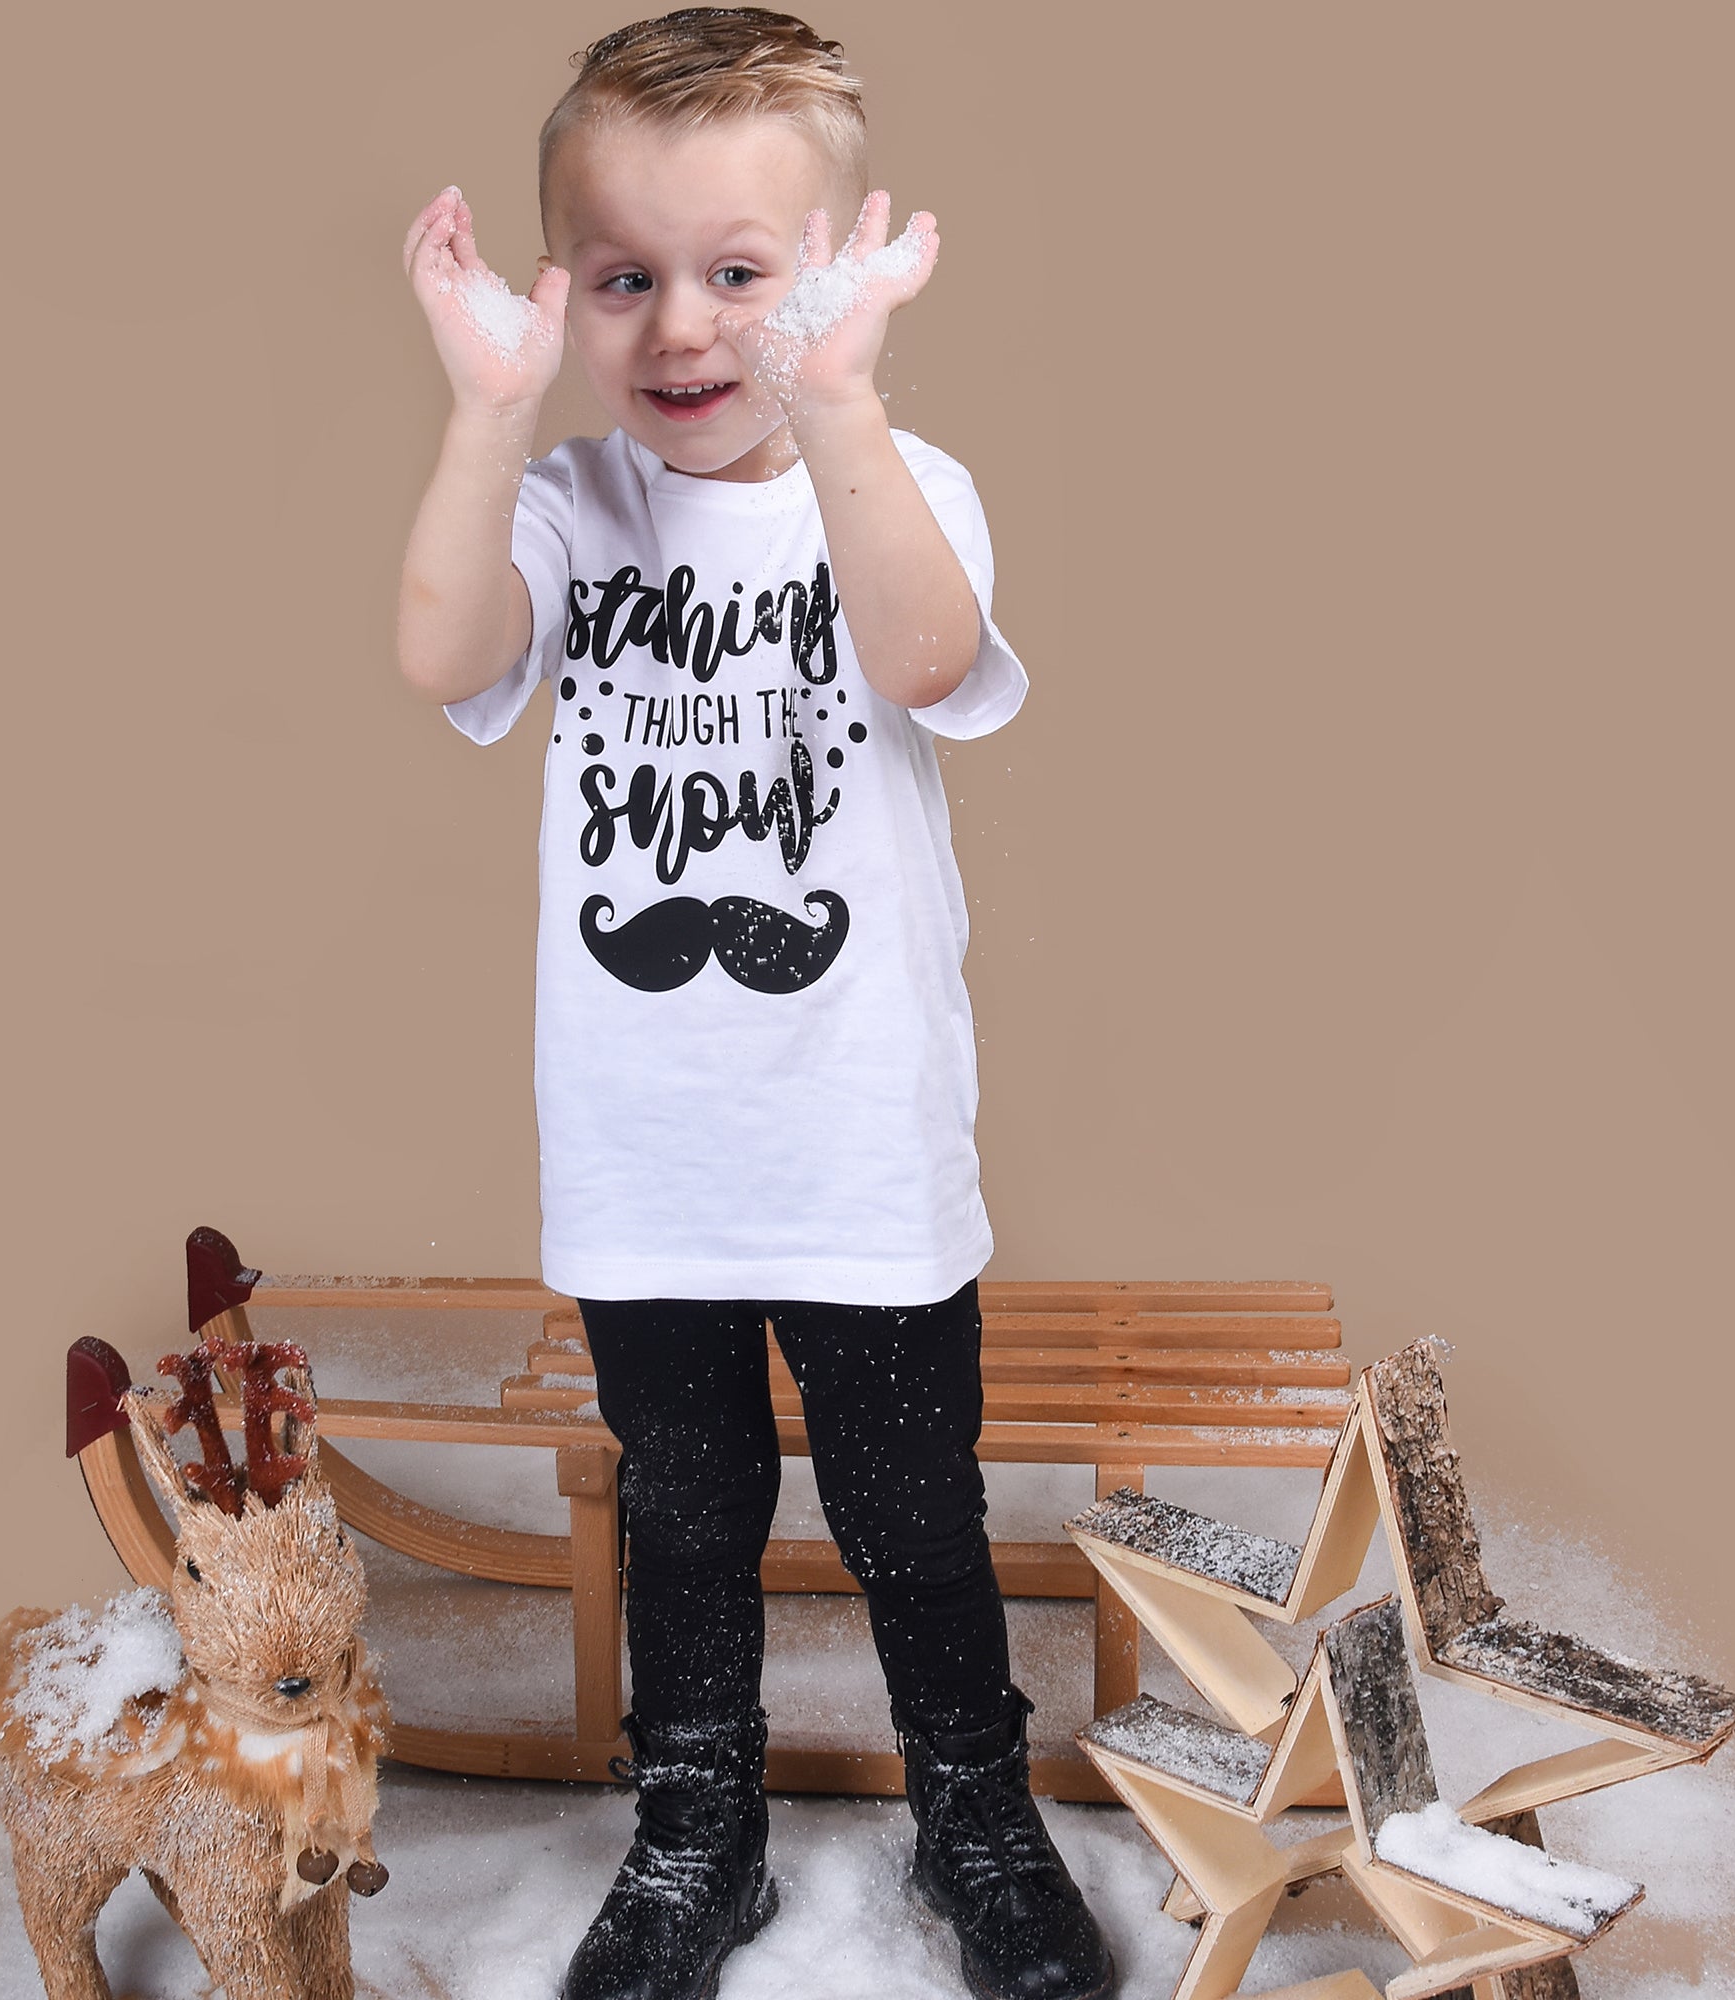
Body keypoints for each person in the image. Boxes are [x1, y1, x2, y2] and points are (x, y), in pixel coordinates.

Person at [397, 12, 1113, 1999]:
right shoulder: (565, 506)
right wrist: (478, 415)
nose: (681, 323)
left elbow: (926, 645)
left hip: (854, 1140)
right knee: (688, 1510)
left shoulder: (898, 488)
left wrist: (842, 404)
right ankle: (695, 1825)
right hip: (651, 1160)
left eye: (739, 273)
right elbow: (442, 647)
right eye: (622, 273)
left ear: (828, 274)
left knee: (912, 1505)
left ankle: (976, 1807)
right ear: (562, 288)